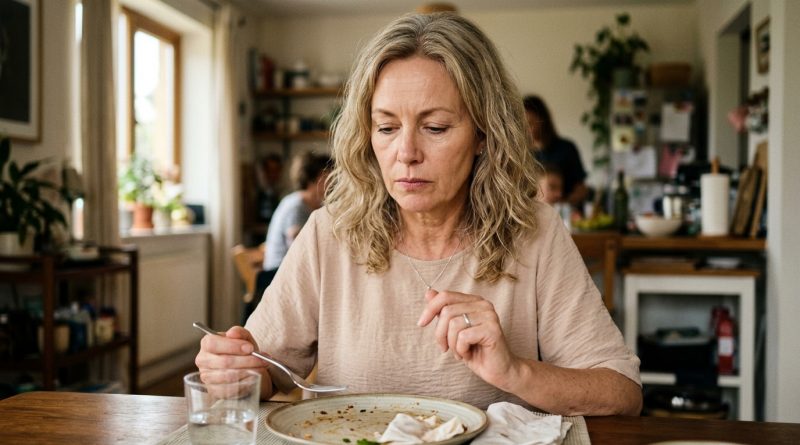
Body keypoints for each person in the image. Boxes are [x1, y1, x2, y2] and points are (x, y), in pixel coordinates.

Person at [197, 12, 641, 416]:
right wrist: (237, 371)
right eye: (387, 128)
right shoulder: (329, 233)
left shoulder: (535, 233)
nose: (406, 153)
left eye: (435, 128)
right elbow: (266, 367)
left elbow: (622, 394)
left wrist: (515, 371)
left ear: (484, 134)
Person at [262, 152, 331, 270]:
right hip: (278, 274)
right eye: (329, 177)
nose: (333, 182)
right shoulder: (296, 206)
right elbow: (297, 248)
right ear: (318, 177)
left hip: (290, 270)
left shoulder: (315, 205)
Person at [524, 95, 589, 209]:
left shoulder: (567, 148)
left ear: (543, 120)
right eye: (524, 124)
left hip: (566, 215)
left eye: (531, 123)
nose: (528, 129)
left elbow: (581, 189)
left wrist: (562, 205)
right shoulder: (522, 153)